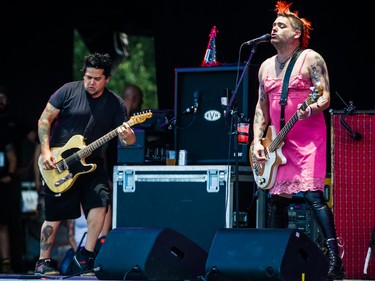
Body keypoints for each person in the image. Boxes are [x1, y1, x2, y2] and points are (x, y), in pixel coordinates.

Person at [251, 2, 344, 280]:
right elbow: (261, 106)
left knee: (314, 197)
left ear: (296, 34)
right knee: (276, 201)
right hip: (278, 143)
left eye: (281, 25)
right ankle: (276, 257)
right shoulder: (265, 66)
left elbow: (324, 96)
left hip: (308, 142)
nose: (274, 28)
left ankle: (334, 259)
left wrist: (310, 108)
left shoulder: (311, 59)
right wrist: (257, 140)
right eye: (273, 25)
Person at [34, 52, 136, 276]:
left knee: (100, 204)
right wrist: (45, 151)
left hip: (92, 162)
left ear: (107, 78)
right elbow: (44, 120)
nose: (91, 82)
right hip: (60, 160)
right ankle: (43, 261)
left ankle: (86, 257)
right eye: (88, 77)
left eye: (97, 78)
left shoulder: (115, 104)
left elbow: (128, 141)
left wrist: (127, 135)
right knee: (55, 215)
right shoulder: (68, 91)